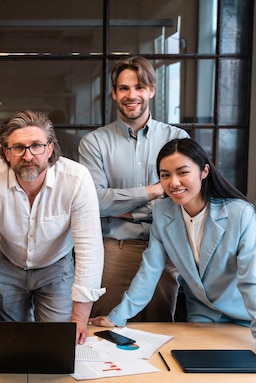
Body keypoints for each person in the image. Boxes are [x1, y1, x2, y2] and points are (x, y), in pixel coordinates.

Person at [90, 138, 256, 369]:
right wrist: (116, 317)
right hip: (204, 312)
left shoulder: (240, 213)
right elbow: (149, 271)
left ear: (204, 171)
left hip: (250, 313)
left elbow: (253, 279)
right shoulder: (163, 211)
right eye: (165, 175)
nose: (174, 183)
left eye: (182, 172)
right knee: (194, 371)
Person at [0, 110, 104, 344]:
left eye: (36, 145)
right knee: (11, 344)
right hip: (7, 263)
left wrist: (79, 318)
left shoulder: (77, 179)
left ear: (50, 148)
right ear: (6, 153)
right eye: (17, 148)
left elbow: (90, 250)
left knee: (58, 343)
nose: (27, 156)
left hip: (56, 267)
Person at [78, 55, 189, 321]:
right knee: (106, 330)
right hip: (115, 250)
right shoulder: (94, 143)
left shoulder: (177, 139)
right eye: (124, 88)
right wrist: (154, 191)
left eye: (139, 87)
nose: (132, 95)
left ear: (151, 90)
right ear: (114, 94)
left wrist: (127, 211)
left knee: (159, 331)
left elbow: (184, 198)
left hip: (165, 250)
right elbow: (95, 202)